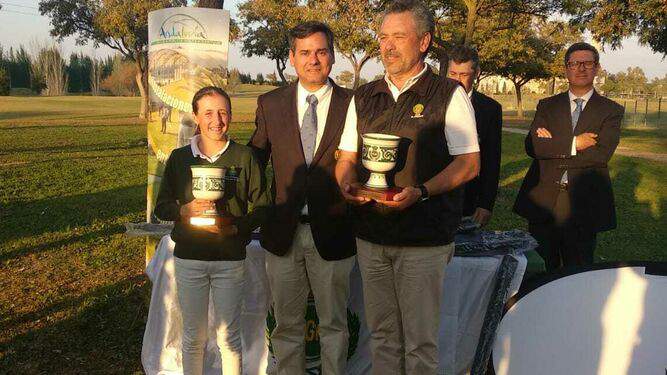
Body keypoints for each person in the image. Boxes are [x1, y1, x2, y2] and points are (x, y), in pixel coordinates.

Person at [335, 1, 480, 373]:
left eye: (399, 36)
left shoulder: (449, 94)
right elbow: (347, 157)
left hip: (423, 239)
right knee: (381, 335)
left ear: (424, 42)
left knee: (419, 342)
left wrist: (423, 191)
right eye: (383, 37)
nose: (388, 46)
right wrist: (346, 182)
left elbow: (469, 164)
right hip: (371, 235)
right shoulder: (363, 96)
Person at [248, 22, 356, 375]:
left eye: (321, 51)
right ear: (292, 58)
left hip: (336, 231)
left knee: (335, 326)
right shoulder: (270, 103)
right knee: (287, 326)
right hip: (283, 233)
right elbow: (254, 162)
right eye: (305, 52)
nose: (314, 60)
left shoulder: (353, 104)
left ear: (332, 56)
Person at [154, 86, 271, 375]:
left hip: (229, 259)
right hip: (190, 258)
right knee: (194, 336)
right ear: (196, 116)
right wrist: (184, 210)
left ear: (231, 115)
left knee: (229, 337)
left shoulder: (244, 157)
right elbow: (162, 207)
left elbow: (264, 206)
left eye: (222, 112)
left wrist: (235, 228)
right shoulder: (180, 158)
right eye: (208, 113)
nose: (216, 120)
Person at [513, 42, 623, 271]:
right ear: (566, 69)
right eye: (574, 63)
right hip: (544, 200)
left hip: (584, 202)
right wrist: (574, 143)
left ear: (597, 68)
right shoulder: (547, 106)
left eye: (587, 63)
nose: (580, 68)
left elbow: (601, 155)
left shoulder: (611, 110)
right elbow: (532, 146)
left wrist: (552, 146)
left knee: (578, 270)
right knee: (540, 269)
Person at [447, 45, 502, 227]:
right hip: (436, 199)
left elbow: (492, 160)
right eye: (453, 74)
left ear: (477, 73)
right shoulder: (434, 103)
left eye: (463, 75)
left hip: (470, 200)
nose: (457, 80)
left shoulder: (490, 109)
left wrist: (486, 204)